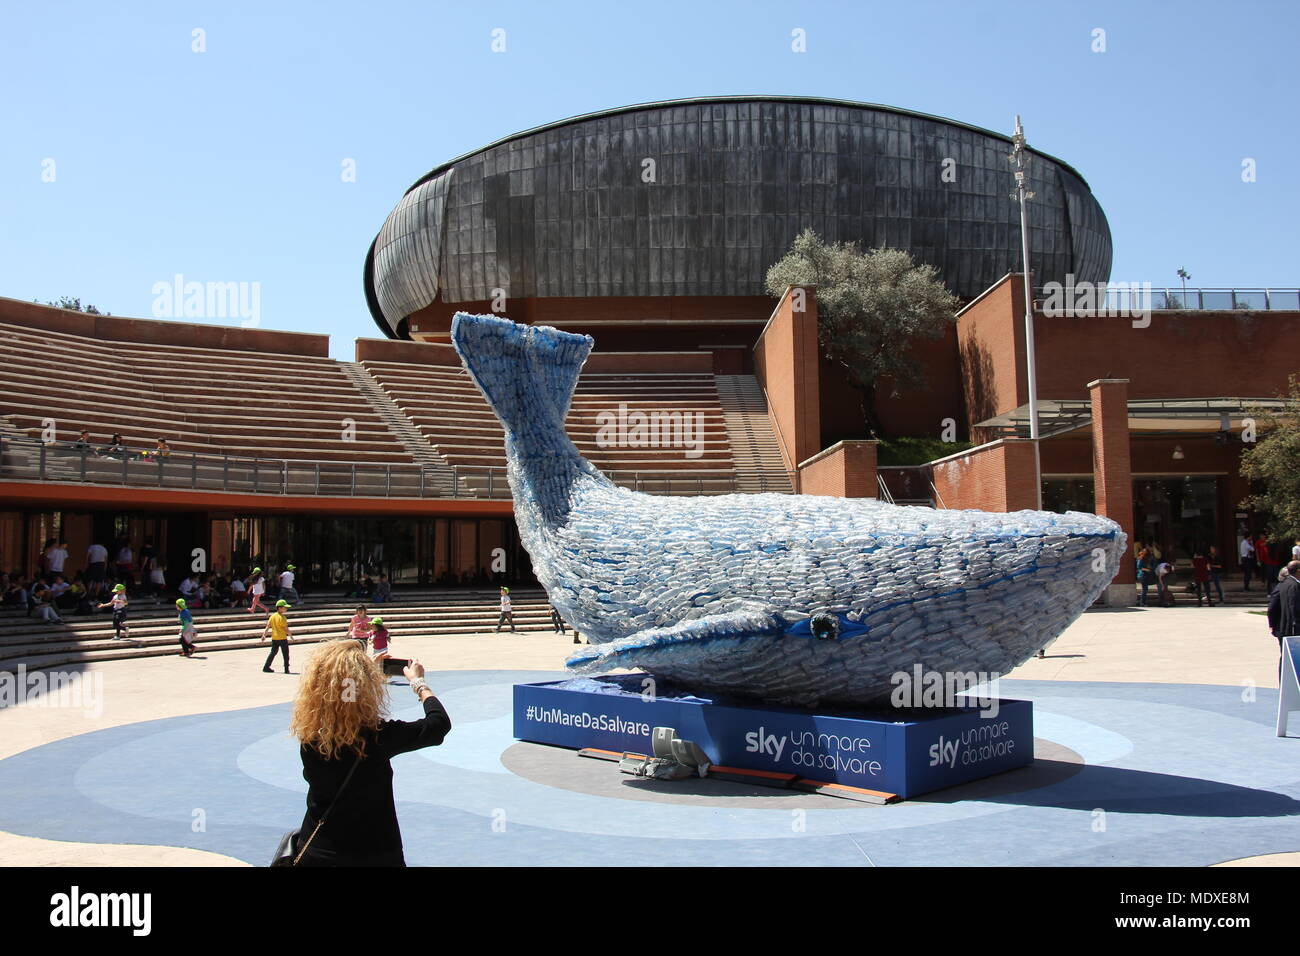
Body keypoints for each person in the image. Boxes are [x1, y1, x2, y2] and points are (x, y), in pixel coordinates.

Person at [287, 641, 451, 866]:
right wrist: (419, 684)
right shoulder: (378, 737)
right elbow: (438, 724)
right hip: (374, 852)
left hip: (318, 851)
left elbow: (344, 699)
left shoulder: (311, 737)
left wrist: (357, 677)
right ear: (366, 688)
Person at [1267, 561, 1300, 674]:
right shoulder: (1293, 586)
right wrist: (1273, 626)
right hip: (1289, 628)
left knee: (1286, 657)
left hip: (1286, 627)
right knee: (1290, 658)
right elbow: (1294, 608)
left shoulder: (1285, 584)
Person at [261, 598, 293, 673]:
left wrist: (264, 635)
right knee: (285, 653)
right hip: (282, 638)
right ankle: (286, 669)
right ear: (280, 608)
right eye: (285, 608)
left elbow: (268, 627)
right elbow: (286, 629)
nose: (286, 609)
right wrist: (290, 635)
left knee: (273, 652)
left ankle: (266, 667)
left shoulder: (272, 616)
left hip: (274, 638)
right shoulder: (282, 618)